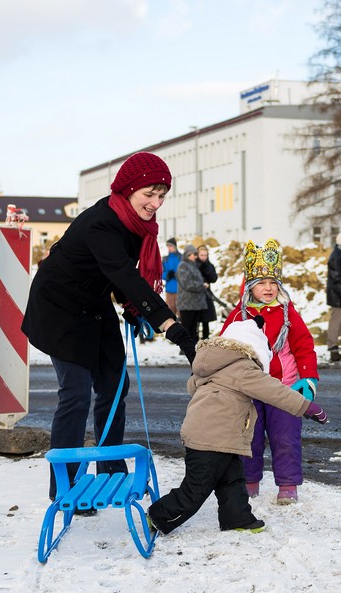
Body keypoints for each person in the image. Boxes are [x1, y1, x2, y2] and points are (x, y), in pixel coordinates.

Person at [21, 151, 197, 501]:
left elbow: (114, 274)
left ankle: (109, 470)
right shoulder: (103, 221)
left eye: (162, 195)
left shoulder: (136, 224)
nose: (156, 202)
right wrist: (170, 326)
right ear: (129, 189)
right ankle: (66, 489)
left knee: (115, 386)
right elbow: (123, 273)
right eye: (149, 193)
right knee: (75, 393)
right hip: (60, 307)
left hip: (94, 303)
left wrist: (132, 308)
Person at [148, 316, 328, 535]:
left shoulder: (213, 366)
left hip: (217, 435)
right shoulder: (243, 368)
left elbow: (193, 388)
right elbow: (275, 391)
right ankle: (158, 516)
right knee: (197, 487)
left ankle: (237, 517)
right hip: (212, 438)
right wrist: (307, 407)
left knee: (231, 479)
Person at [219, 238, 319, 505]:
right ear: (251, 286)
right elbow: (223, 346)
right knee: (248, 438)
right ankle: (248, 482)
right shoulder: (238, 315)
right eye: (262, 283)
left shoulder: (288, 314)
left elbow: (303, 344)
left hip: (284, 387)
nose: (268, 288)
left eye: (273, 283)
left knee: (285, 437)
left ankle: (287, 485)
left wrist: (307, 377)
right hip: (248, 387)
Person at [176, 244, 209, 342]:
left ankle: (192, 348)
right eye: (194, 254)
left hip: (195, 304)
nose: (195, 256)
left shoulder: (193, 266)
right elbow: (187, 283)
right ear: (187, 255)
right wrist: (201, 285)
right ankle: (185, 349)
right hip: (187, 304)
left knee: (194, 330)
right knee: (187, 328)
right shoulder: (183, 266)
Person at [195, 244, 219, 339]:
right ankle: (195, 340)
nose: (204, 257)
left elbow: (213, 279)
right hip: (195, 296)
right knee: (195, 321)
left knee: (206, 320)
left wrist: (207, 269)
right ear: (197, 255)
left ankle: (205, 340)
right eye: (202, 255)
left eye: (205, 255)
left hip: (206, 296)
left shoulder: (209, 265)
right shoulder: (193, 264)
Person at [162, 238, 181, 317]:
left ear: (175, 246)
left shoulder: (181, 258)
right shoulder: (165, 259)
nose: (169, 248)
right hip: (169, 290)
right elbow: (161, 274)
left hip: (180, 290)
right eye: (168, 246)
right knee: (170, 314)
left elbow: (185, 273)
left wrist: (176, 275)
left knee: (181, 314)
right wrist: (167, 275)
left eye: (171, 246)